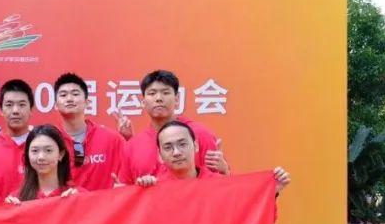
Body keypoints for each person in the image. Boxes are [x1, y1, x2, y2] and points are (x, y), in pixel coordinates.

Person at [118, 70, 228, 183]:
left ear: (176, 99)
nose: (159, 98)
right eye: (152, 93)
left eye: (165, 93)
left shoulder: (201, 135)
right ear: (143, 102)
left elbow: (220, 185)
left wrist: (225, 171)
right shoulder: (132, 146)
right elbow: (126, 188)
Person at [133, 120, 290, 192]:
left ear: (196, 146)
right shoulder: (153, 188)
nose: (177, 152)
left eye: (182, 144)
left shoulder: (219, 184)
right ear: (160, 155)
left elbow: (247, 213)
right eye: (168, 147)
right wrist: (141, 193)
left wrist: (272, 192)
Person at [52, 72, 125, 191]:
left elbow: (131, 172)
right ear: (56, 105)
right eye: (63, 95)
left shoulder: (112, 139)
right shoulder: (50, 141)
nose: (69, 99)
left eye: (75, 94)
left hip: (104, 203)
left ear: (87, 102)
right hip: (64, 203)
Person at [0, 79, 34, 198]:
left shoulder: (42, 147)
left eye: (22, 105)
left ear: (31, 110)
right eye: (9, 105)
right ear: (1, 110)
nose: (15, 111)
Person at [6, 124, 79, 204]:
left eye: (48, 150)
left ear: (61, 154)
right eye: (35, 151)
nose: (41, 157)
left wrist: (78, 203)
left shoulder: (76, 194)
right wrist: (11, 209)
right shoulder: (17, 198)